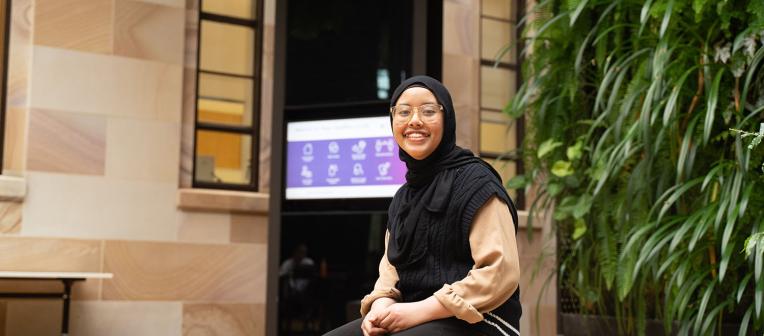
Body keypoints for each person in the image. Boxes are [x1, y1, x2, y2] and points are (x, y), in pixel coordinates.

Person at [324, 76, 521, 336]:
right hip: (414, 315)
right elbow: (390, 270)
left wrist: (419, 311)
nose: (414, 120)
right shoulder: (403, 197)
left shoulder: (477, 182)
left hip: (481, 319)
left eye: (428, 111)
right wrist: (382, 306)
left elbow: (499, 272)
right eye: (403, 112)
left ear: (447, 119)